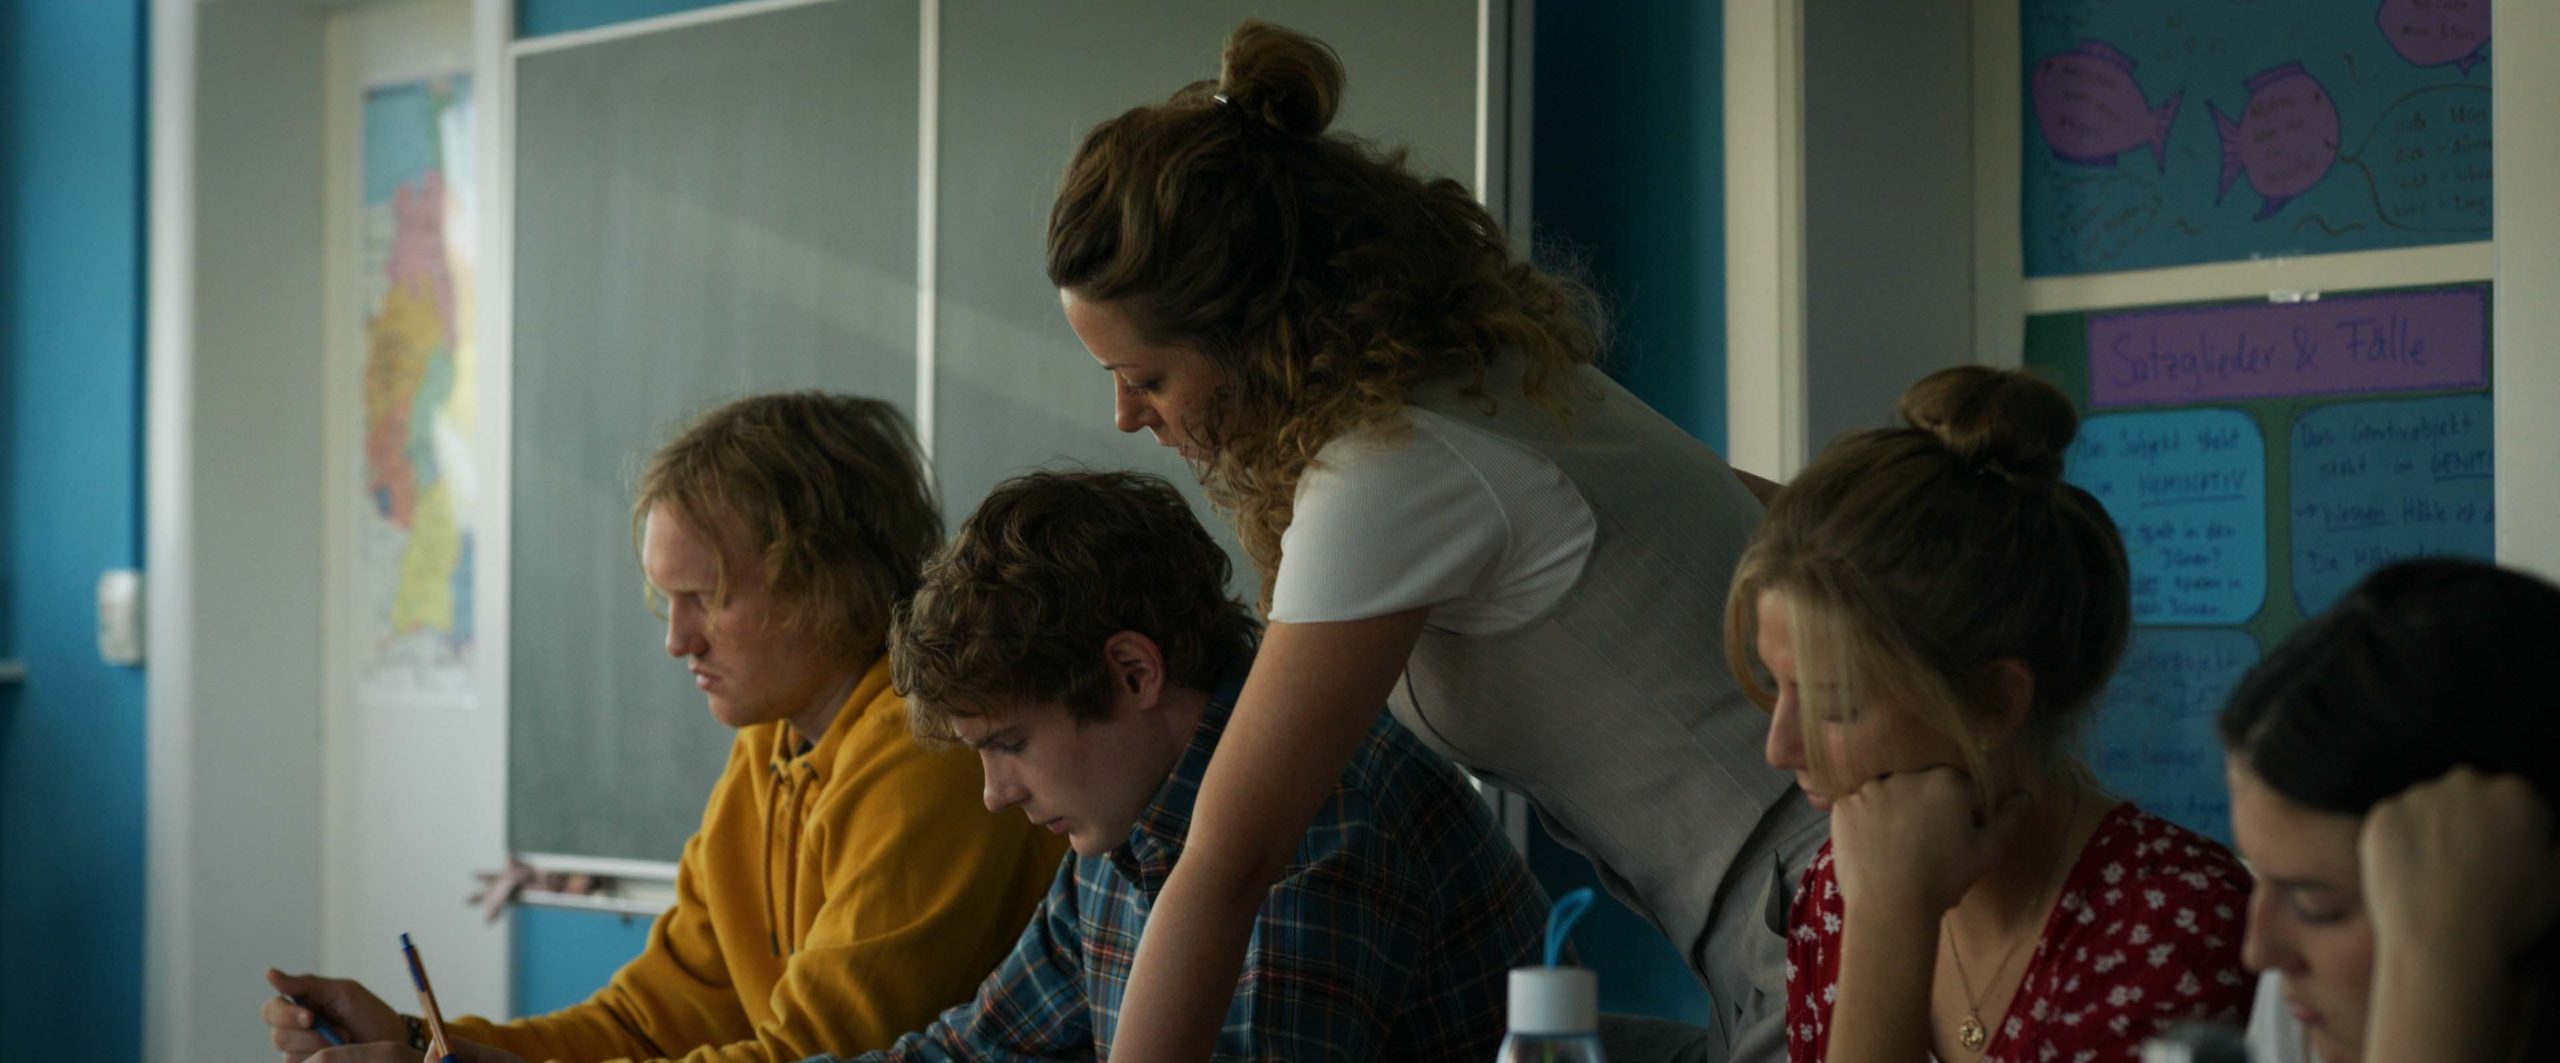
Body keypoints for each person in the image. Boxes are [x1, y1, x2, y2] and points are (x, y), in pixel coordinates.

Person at [1045, 20, 1819, 1063]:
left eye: (1147, 378)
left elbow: (1228, 860)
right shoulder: (1484, 387)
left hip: (1818, 903)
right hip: (1798, 898)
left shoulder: (1392, 469)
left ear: (1256, 336)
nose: (1127, 416)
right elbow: (1782, 517)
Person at [263, 393, 1069, 1063]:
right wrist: (417, 1042)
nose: (677, 641)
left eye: (707, 598)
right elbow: (646, 1025)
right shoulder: (768, 748)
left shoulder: (928, 752)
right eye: (667, 600)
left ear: (827, 583)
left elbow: (810, 1054)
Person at [787, 468, 1547, 1062]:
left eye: (1010, 744)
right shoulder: (1122, 826)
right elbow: (972, 1050)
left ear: (1133, 673)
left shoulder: (1317, 826)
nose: (995, 794)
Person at [1727, 367, 2254, 1063]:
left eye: (1835, 705)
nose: (1779, 747)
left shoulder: (2179, 925)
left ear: (1993, 703)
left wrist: (1890, 921)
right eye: (1778, 685)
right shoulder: (1836, 889)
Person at [2221, 559, 2560, 1063]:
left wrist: (2438, 964)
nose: (2258, 952)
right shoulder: (2302, 1004)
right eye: (2261, 880)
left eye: (2317, 906)